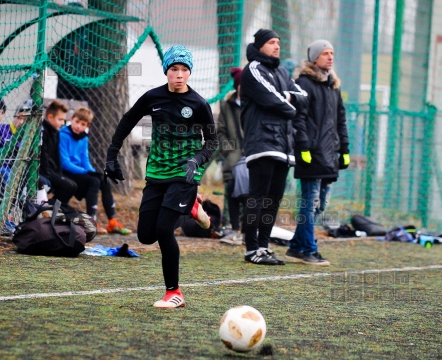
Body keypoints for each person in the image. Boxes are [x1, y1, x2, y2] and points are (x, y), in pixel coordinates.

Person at [104, 45, 217, 308]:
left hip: (184, 174)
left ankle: (174, 293)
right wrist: (111, 156)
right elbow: (127, 121)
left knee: (165, 229)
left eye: (184, 69)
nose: (179, 74)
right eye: (174, 69)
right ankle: (192, 208)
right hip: (156, 173)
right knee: (145, 235)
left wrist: (196, 160)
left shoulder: (199, 104)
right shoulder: (152, 97)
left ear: (190, 73)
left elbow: (212, 141)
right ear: (166, 71)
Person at [240, 29, 308, 265]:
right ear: (260, 46)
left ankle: (263, 246)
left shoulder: (280, 71)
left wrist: (287, 99)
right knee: (257, 197)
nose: (276, 46)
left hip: (283, 146)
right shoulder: (253, 70)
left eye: (278, 42)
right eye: (271, 42)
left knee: (273, 199)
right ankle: (251, 249)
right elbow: (273, 99)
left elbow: (304, 96)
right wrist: (289, 103)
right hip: (262, 143)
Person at [285, 40, 350, 266]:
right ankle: (310, 250)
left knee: (319, 206)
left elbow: (340, 120)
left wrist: (344, 150)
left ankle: (296, 247)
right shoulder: (303, 83)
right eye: (325, 53)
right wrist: (303, 149)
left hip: (329, 156)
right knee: (310, 203)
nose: (330, 57)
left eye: (332, 53)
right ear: (314, 58)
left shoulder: (334, 86)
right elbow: (298, 119)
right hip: (311, 155)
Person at [59, 106, 131, 235]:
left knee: (103, 180)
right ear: (71, 119)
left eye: (83, 124)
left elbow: (85, 160)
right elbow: (65, 163)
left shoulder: (84, 138)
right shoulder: (63, 135)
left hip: (79, 171)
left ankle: (112, 222)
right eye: (76, 122)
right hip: (66, 172)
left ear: (87, 126)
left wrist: (93, 171)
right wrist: (86, 172)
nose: (78, 126)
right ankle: (91, 222)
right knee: (93, 181)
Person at [217, 67, 245, 239]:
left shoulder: (256, 104)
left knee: (251, 195)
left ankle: (248, 230)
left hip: (252, 155)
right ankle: (234, 228)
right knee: (233, 191)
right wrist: (229, 150)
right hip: (233, 157)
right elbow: (220, 131)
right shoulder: (227, 106)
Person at [39, 100, 77, 205]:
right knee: (67, 186)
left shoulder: (56, 133)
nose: (63, 123)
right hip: (43, 171)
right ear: (50, 117)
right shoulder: (43, 131)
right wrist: (49, 175)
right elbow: (43, 156)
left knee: (73, 185)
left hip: (52, 170)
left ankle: (54, 207)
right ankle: (48, 208)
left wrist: (60, 174)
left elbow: (57, 156)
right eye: (60, 119)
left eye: (64, 120)